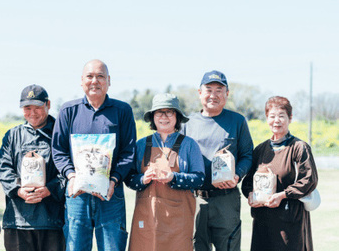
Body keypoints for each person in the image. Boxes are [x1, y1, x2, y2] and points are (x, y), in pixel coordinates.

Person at [52, 59, 136, 251]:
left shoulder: (122, 111)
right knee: (76, 247)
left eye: (100, 76)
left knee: (112, 246)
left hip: (110, 194)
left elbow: (128, 152)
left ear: (108, 81)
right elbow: (58, 150)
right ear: (81, 81)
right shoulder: (68, 110)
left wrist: (113, 180)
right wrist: (71, 176)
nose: (94, 81)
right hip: (77, 195)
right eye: (89, 76)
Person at [181, 70, 253, 251]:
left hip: (226, 200)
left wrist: (237, 175)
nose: (214, 95)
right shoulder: (186, 124)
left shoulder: (237, 121)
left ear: (227, 94)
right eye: (209, 89)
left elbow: (247, 155)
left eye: (219, 90)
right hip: (195, 199)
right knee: (196, 246)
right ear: (199, 93)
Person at [125, 93, 205, 251]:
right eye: (159, 112)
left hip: (178, 221)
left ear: (177, 117)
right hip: (147, 217)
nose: (164, 116)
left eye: (169, 112)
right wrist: (142, 180)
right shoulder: (141, 145)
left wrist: (173, 178)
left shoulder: (189, 145)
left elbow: (199, 178)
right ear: (153, 117)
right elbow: (129, 179)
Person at [241, 96, 318, 251]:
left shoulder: (299, 148)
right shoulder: (260, 150)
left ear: (290, 118)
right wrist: (251, 195)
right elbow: (247, 183)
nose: (277, 120)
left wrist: (282, 195)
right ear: (267, 118)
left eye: (281, 116)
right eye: (272, 116)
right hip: (263, 222)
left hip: (290, 223)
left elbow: (309, 180)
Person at [0, 84, 66, 251]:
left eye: (38, 107)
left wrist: (50, 189)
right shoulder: (12, 136)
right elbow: (4, 167)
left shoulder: (61, 134)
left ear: (48, 105)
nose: (32, 112)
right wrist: (18, 190)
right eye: (27, 108)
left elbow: (69, 170)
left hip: (52, 221)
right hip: (18, 221)